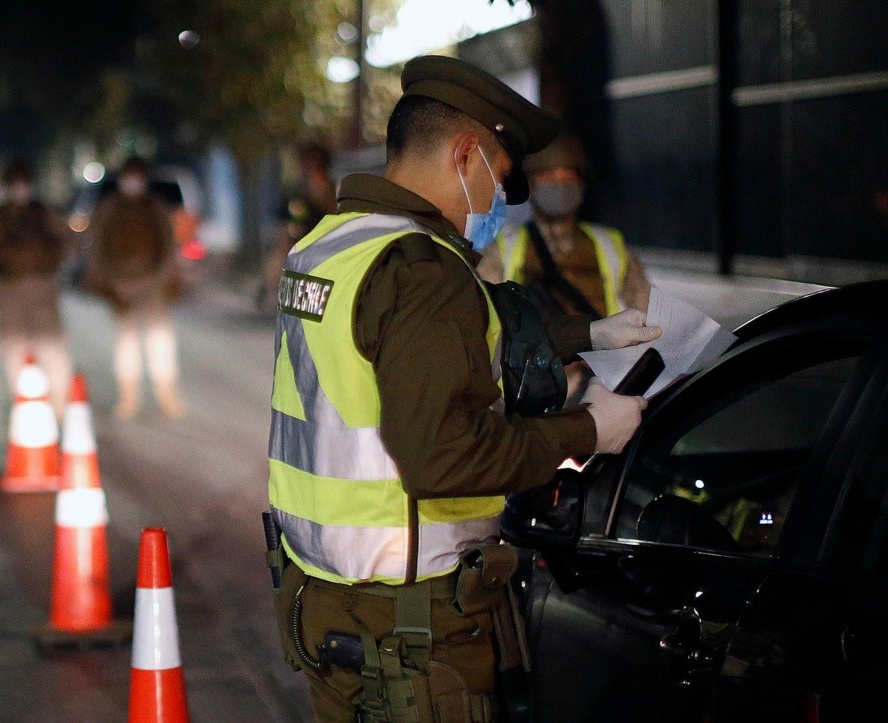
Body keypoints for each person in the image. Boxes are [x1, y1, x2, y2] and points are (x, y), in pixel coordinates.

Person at [266, 56, 662, 721]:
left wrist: (590, 331)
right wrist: (592, 429)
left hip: (322, 596)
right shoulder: (425, 269)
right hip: (407, 623)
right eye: (501, 178)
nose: (500, 202)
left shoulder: (333, 245)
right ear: (466, 154)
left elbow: (435, 344)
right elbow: (443, 455)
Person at [478, 131, 652, 317]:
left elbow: (646, 309)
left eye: (568, 175)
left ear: (581, 182)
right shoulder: (503, 247)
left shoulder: (610, 245)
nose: (559, 184)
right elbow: (486, 312)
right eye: (548, 176)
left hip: (607, 346)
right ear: (530, 184)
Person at [0, 160, 75, 410]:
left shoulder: (45, 214)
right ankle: (25, 411)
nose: (19, 189)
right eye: (13, 184)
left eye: (22, 184)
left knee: (53, 354)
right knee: (15, 356)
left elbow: (70, 242)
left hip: (43, 291)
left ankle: (60, 409)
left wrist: (52, 257)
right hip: (10, 295)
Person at [85, 157, 183, 419]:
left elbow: (168, 242)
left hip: (153, 283)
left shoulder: (155, 207)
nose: (133, 183)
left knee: (159, 340)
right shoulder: (109, 208)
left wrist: (167, 276)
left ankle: (167, 396)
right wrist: (102, 280)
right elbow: (97, 246)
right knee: (126, 343)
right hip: (120, 284)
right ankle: (129, 398)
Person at [262, 143, 338, 309]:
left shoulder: (335, 193)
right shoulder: (296, 194)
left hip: (325, 258)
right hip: (300, 257)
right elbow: (285, 227)